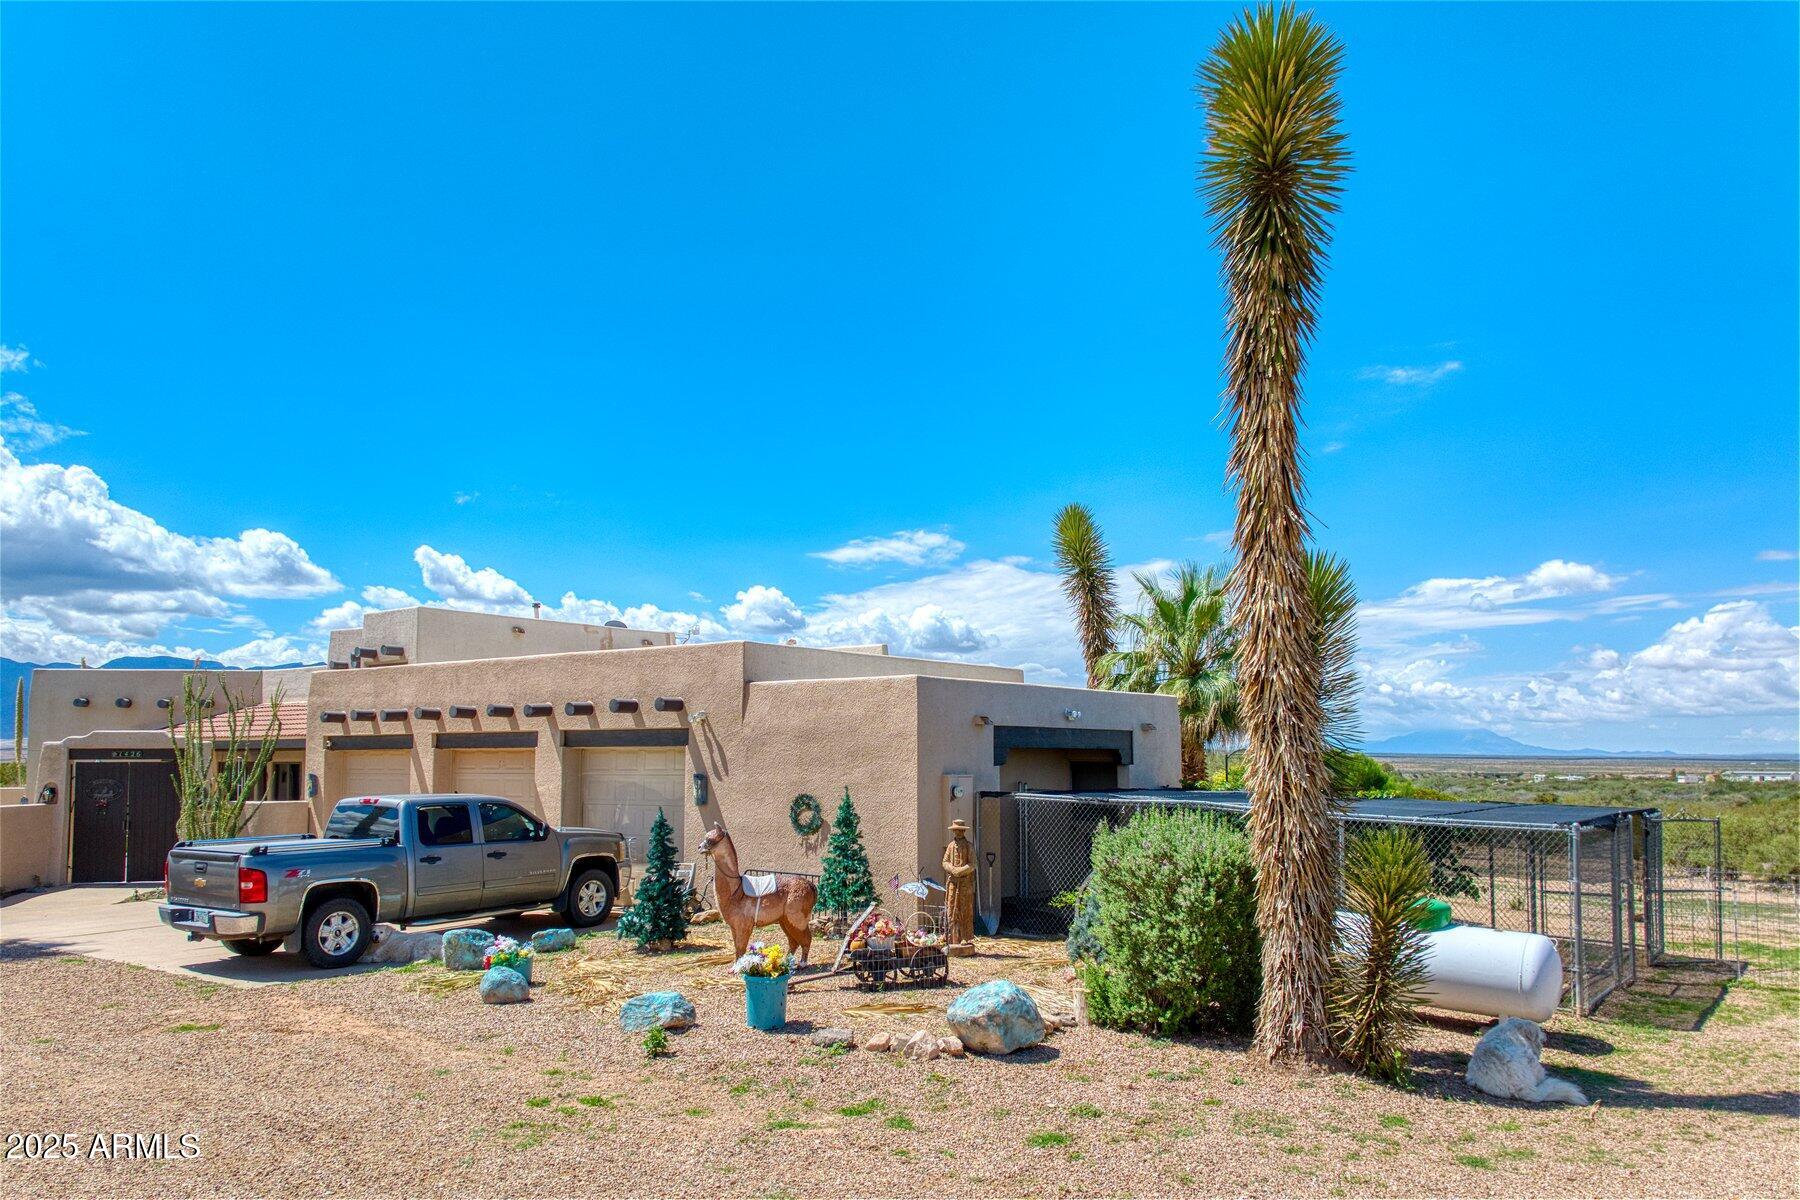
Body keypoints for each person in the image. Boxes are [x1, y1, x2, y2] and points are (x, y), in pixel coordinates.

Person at [942, 819, 976, 956]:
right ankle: (952, 936)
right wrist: (951, 869)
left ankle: (964, 937)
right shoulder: (950, 846)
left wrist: (961, 871)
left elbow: (973, 864)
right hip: (953, 883)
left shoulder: (969, 846)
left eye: (960, 830)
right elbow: (944, 861)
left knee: (964, 909)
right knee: (951, 908)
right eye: (956, 830)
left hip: (965, 884)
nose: (958, 832)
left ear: (964, 831)